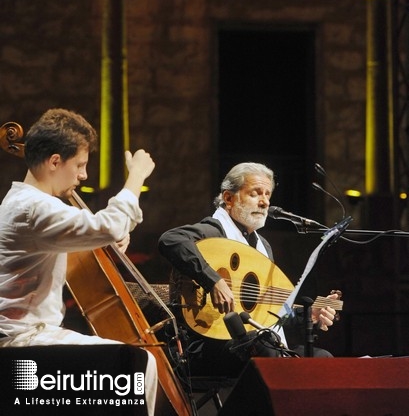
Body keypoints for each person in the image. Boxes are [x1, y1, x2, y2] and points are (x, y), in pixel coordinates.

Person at [0, 108, 157, 412]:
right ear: (55, 161)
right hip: (23, 340)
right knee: (139, 363)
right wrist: (136, 175)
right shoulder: (35, 207)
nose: (84, 175)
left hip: (30, 334)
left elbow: (100, 231)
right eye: (80, 165)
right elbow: (108, 225)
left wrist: (105, 235)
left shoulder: (22, 202)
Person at [158, 162, 338, 376]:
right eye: (255, 194)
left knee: (322, 359)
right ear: (228, 198)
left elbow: (266, 312)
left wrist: (307, 315)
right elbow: (170, 240)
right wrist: (213, 280)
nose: (264, 202)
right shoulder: (213, 231)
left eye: (268, 195)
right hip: (207, 344)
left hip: (254, 343)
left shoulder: (263, 247)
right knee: (266, 353)